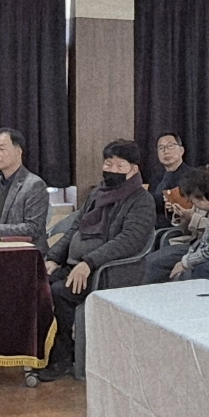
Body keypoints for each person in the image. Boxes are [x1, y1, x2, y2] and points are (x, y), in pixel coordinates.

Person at [39, 140, 156, 380]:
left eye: (119, 165)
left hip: (107, 271)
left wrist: (88, 262)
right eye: (108, 163)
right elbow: (75, 229)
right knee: (39, 283)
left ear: (133, 169)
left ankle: (64, 359)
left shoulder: (142, 201)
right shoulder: (97, 193)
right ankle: (38, 352)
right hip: (76, 265)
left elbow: (128, 242)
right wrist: (53, 258)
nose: (111, 169)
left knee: (60, 293)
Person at [0, 128, 49, 241]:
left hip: (25, 250)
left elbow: (34, 228)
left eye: (2, 149)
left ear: (18, 152)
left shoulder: (34, 184)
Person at [147, 132, 193, 200]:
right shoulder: (155, 179)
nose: (166, 151)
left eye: (170, 146)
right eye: (161, 148)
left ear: (181, 150)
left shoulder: (192, 176)